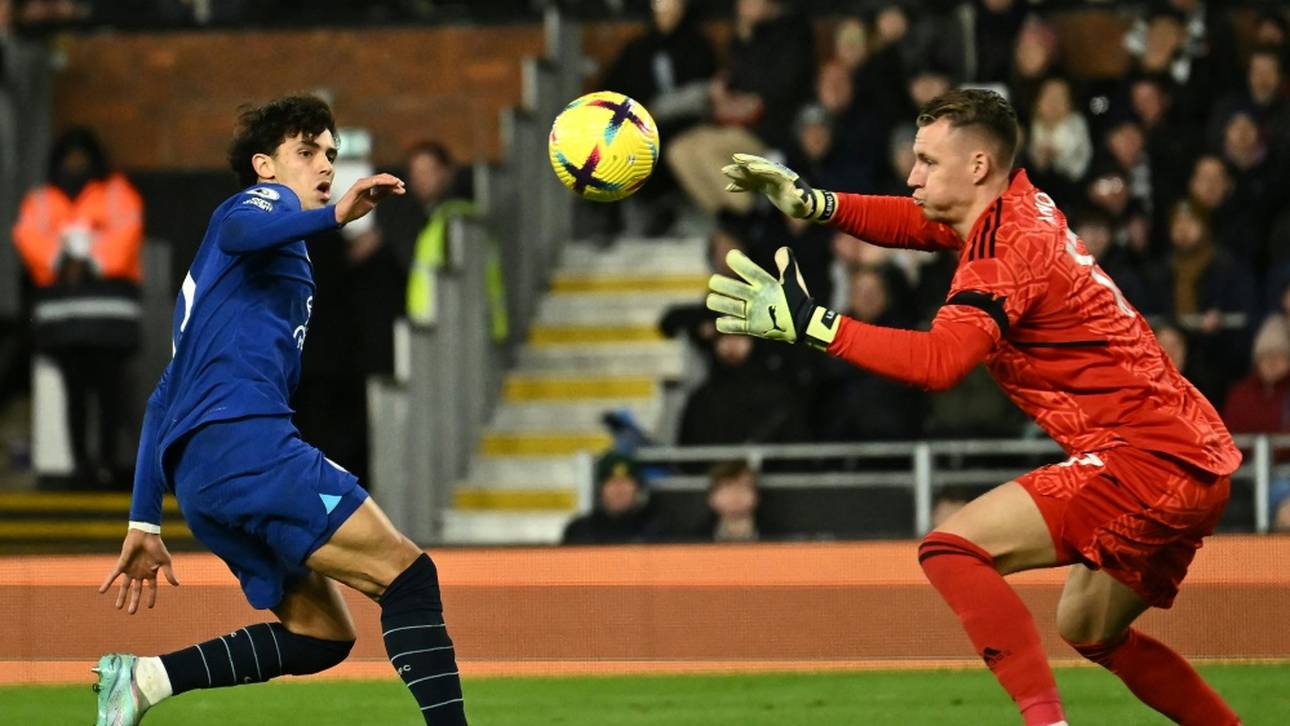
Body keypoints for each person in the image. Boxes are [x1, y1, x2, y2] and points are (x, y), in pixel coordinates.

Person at [713, 89, 1241, 725]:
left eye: (927, 161)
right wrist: (813, 204)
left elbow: (939, 364)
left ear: (979, 166)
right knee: (1088, 628)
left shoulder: (1002, 254)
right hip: (1192, 458)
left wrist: (814, 325)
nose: (912, 175)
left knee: (953, 550)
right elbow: (916, 221)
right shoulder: (1020, 206)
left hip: (1145, 459)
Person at [91, 96, 467, 726]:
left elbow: (163, 396)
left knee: (321, 636)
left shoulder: (250, 268)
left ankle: (145, 680)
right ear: (264, 165)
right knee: (409, 578)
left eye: (330, 154)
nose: (324, 165)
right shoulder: (262, 208)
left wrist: (144, 521)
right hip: (248, 451)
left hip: (204, 478)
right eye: (307, 151)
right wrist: (337, 217)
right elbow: (241, 224)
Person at [12, 127, 144, 489]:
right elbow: (27, 235)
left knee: (109, 395)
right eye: (69, 158)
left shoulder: (117, 193)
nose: (76, 164)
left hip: (110, 320)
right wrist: (61, 259)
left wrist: (87, 262)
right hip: (63, 321)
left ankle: (106, 463)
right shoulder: (41, 200)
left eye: (82, 157)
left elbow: (128, 232)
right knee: (74, 395)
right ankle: (80, 466)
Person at [561, 451, 666, 545]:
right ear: (600, 489)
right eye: (612, 483)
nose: (619, 490)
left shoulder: (657, 529)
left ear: (638, 488)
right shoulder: (581, 530)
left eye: (626, 483)